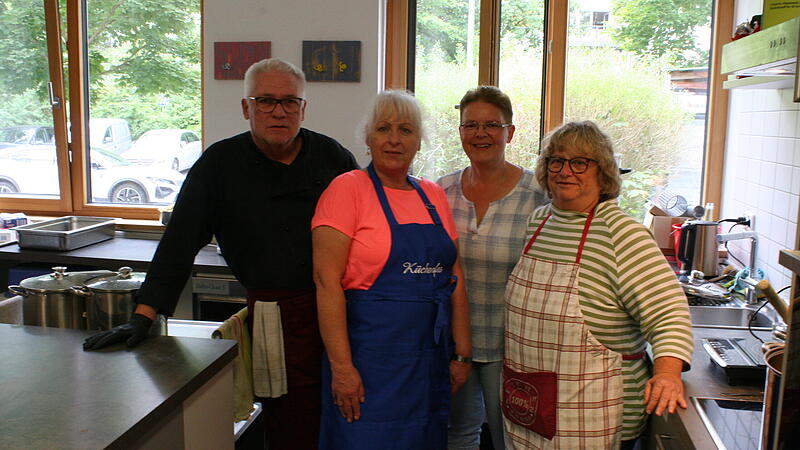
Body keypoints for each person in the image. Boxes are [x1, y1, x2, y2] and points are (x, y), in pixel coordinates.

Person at [82, 58, 359, 450]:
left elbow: (366, 228)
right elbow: (179, 241)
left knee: (346, 410)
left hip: (338, 311)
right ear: (247, 108)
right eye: (266, 101)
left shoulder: (331, 156)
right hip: (272, 316)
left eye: (289, 101)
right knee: (289, 422)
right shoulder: (220, 164)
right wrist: (144, 315)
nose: (279, 111)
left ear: (303, 108)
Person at [502, 121, 693, 449]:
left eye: (580, 162)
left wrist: (667, 373)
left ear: (602, 172)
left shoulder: (622, 234)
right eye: (556, 161)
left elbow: (669, 315)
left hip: (596, 409)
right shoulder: (539, 222)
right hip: (533, 406)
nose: (565, 171)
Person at [311, 90, 472, 449]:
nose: (394, 139)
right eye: (383, 129)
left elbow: (455, 278)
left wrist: (462, 354)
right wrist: (342, 369)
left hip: (428, 363)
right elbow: (326, 283)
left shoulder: (432, 195)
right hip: (368, 364)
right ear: (368, 139)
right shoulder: (347, 189)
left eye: (406, 130)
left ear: (419, 141)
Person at [437, 86, 543, 450]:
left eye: (491, 125)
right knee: (457, 435)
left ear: (509, 133)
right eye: (471, 125)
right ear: (461, 131)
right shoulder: (442, 191)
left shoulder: (538, 193)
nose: (480, 134)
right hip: (456, 344)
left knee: (509, 438)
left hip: (512, 347)